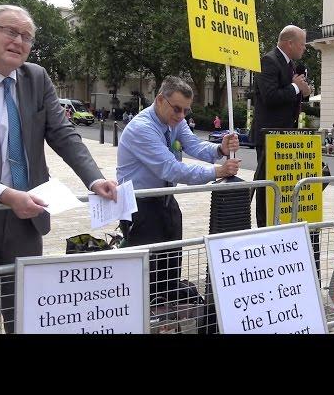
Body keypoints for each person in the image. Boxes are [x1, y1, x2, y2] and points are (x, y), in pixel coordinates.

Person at [0, 5, 118, 333]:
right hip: (4, 200)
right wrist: (4, 194)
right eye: (10, 31)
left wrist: (95, 179)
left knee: (22, 315)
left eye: (27, 37)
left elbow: (64, 134)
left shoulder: (36, 77)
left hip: (25, 219)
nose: (19, 41)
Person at [117, 76, 240, 305]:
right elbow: (171, 169)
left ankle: (167, 311)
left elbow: (193, 144)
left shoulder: (175, 119)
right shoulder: (142, 128)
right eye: (177, 109)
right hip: (139, 203)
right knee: (148, 270)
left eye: (186, 110)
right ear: (160, 100)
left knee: (171, 262)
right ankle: (146, 314)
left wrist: (220, 148)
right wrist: (217, 172)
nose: (182, 116)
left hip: (163, 198)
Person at [251, 24, 311, 228]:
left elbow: (292, 94)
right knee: (265, 185)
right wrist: (295, 87)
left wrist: (302, 89)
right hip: (269, 135)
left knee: (281, 183)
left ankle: (279, 221)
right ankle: (263, 224)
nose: (304, 48)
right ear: (289, 43)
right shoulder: (268, 61)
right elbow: (270, 97)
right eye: (302, 44)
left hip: (286, 135)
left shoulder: (290, 66)